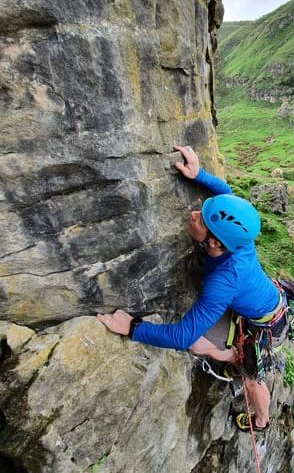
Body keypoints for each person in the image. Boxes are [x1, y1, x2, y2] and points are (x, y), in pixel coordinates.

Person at [97, 145, 282, 432]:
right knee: (201, 338)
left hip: (265, 321)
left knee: (249, 377)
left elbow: (182, 336)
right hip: (254, 300)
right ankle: (224, 355)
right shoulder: (237, 236)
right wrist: (199, 174)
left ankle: (261, 420)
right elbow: (225, 192)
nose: (194, 213)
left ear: (215, 243)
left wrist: (133, 327)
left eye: (202, 219)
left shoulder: (223, 282)